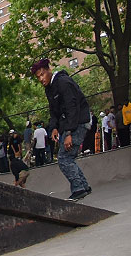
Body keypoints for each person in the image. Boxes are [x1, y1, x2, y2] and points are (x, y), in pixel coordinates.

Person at [31, 58, 93, 201]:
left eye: (42, 75)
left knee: (64, 158)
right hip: (69, 123)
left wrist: (69, 133)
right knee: (68, 157)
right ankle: (84, 186)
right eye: (38, 77)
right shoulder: (50, 89)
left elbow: (73, 107)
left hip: (78, 121)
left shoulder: (63, 82)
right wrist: (54, 128)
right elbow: (54, 112)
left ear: (48, 71)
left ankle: (78, 189)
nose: (41, 79)